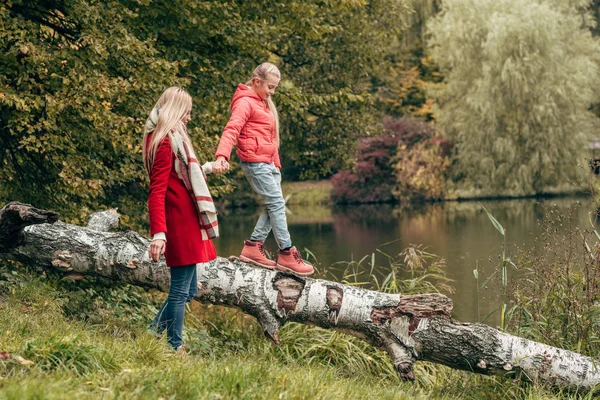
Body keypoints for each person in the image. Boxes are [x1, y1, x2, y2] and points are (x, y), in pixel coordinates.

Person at [213, 63, 314, 276]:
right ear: (256, 82)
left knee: (273, 205)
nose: (272, 92)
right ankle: (287, 252)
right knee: (277, 204)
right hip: (255, 162)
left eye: (275, 88)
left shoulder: (263, 103)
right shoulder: (245, 103)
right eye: (270, 87)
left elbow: (269, 137)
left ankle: (253, 246)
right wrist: (222, 155)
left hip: (268, 163)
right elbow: (231, 129)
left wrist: (276, 164)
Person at [143, 86, 218, 351]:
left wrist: (207, 167)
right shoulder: (164, 141)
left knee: (189, 291)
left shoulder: (172, 139)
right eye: (186, 112)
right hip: (178, 223)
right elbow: (157, 190)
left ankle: (153, 333)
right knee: (179, 292)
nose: (188, 117)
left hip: (188, 221)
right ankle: (174, 347)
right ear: (176, 110)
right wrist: (159, 234)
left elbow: (182, 176)